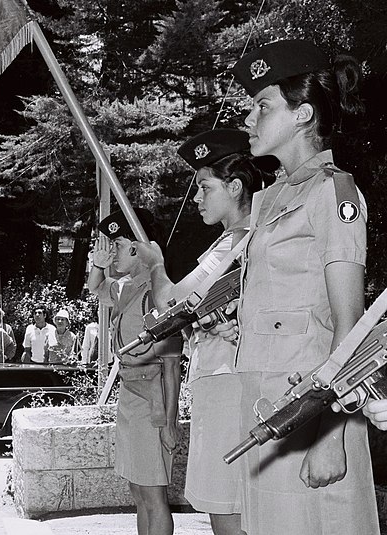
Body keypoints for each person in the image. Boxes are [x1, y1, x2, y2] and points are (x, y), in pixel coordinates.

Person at [224, 39, 378, 534]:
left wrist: (332, 435)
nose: (249, 118)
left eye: (262, 106)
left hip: (311, 414)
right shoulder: (269, 202)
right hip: (265, 407)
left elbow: (351, 334)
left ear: (302, 114)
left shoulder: (335, 192)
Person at [134, 129, 273, 535]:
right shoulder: (243, 239)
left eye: (204, 187)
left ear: (234, 187)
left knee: (225, 505)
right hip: (230, 380)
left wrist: (156, 264)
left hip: (227, 384)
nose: (196, 198)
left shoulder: (240, 240)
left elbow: (171, 304)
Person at [88, 210, 182, 535]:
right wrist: (98, 265)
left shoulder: (158, 293)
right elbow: (95, 289)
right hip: (130, 400)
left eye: (118, 244)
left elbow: (171, 365)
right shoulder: (128, 290)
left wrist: (170, 422)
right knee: (138, 492)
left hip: (152, 406)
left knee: (154, 494)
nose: (113, 251)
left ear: (139, 248)